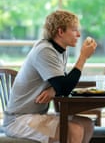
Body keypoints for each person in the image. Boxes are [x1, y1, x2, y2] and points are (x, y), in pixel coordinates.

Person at [3, 10, 97, 143]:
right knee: (75, 130)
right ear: (60, 32)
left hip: (37, 115)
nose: (79, 34)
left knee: (87, 124)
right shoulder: (45, 51)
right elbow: (64, 88)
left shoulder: (60, 50)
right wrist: (83, 57)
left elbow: (61, 82)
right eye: (74, 30)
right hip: (19, 120)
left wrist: (53, 89)